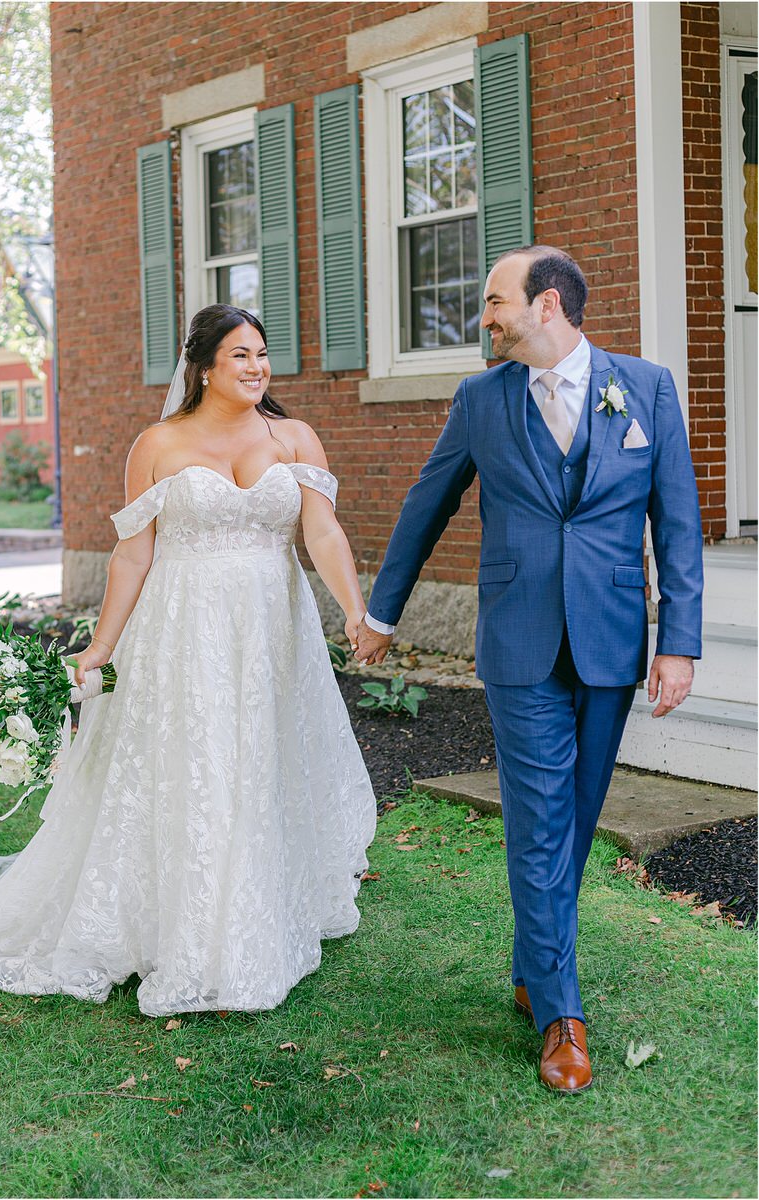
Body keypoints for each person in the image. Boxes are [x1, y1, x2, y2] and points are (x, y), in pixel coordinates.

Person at [0, 304, 377, 1017]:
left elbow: (322, 529)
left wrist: (353, 607)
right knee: (193, 762)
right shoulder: (157, 443)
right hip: (182, 629)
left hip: (272, 627)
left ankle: (252, 904)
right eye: (240, 355)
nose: (256, 367)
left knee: (260, 757)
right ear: (205, 366)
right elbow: (134, 553)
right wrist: (100, 646)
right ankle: (179, 922)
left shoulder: (295, 436)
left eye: (262, 353)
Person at [356, 246, 703, 1093]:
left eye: (493, 302)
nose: (485, 317)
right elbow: (426, 501)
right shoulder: (481, 399)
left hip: (612, 637)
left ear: (546, 306)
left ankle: (529, 963)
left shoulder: (645, 387)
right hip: (517, 640)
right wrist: (381, 612)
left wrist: (679, 640)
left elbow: (680, 520)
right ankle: (560, 1014)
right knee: (539, 818)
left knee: (575, 817)